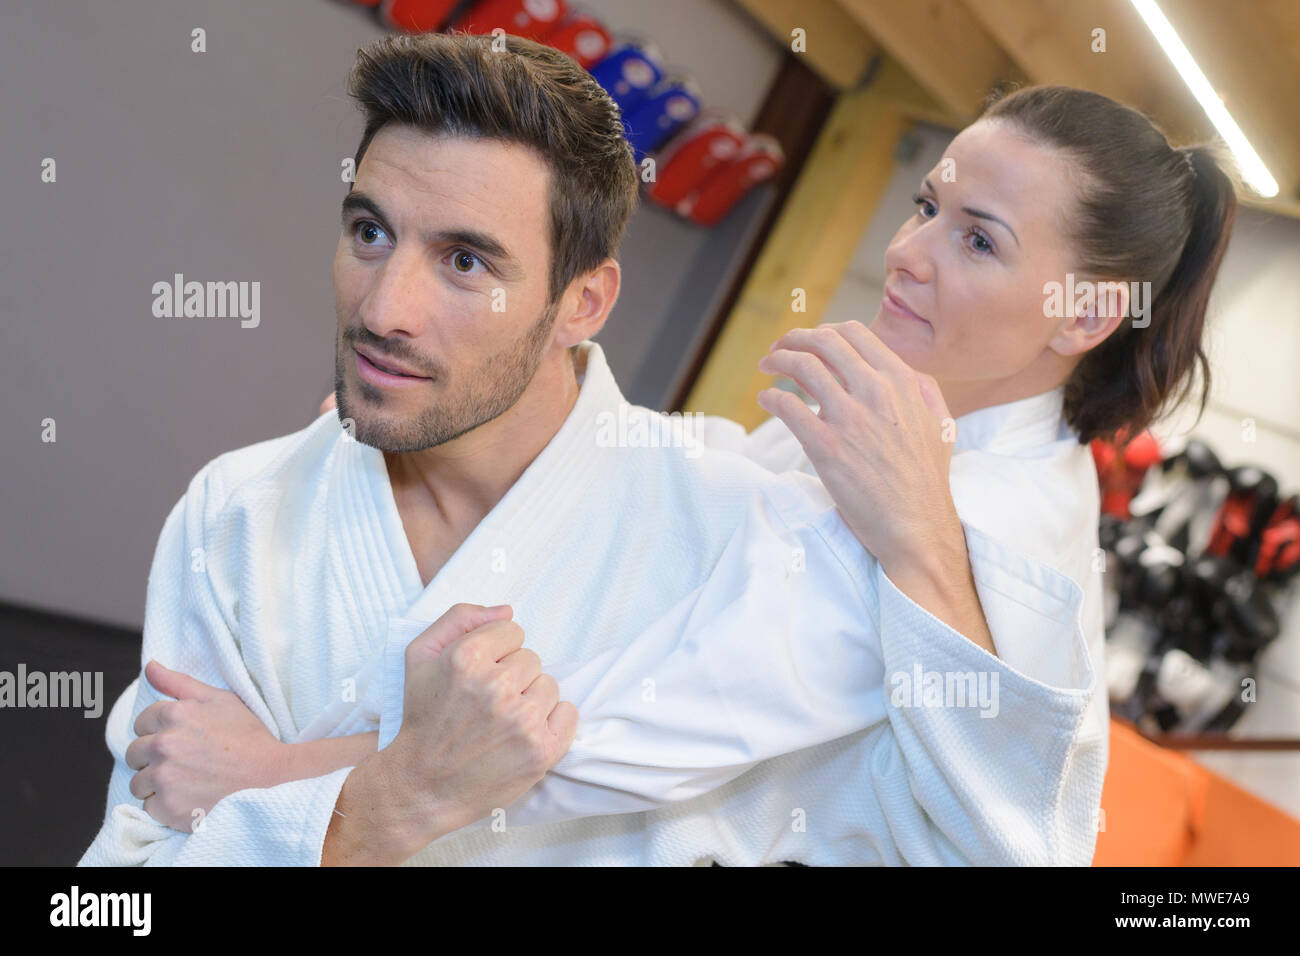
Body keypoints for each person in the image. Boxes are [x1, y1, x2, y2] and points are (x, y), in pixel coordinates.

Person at [79, 34, 1236, 866]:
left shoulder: (749, 500)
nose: (386, 306)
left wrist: (309, 785)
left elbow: (629, 749)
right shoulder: (240, 510)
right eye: (368, 231)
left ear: (588, 300)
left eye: (468, 261)